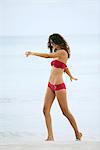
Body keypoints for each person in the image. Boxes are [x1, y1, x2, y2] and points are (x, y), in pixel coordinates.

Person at [25, 33, 82, 141]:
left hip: (59, 86)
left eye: (52, 42)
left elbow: (47, 56)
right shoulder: (57, 53)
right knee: (45, 110)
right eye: (50, 42)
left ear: (58, 41)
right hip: (50, 85)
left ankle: (77, 133)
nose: (51, 44)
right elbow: (64, 66)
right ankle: (50, 136)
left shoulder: (62, 52)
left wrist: (32, 53)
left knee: (65, 112)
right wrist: (70, 75)